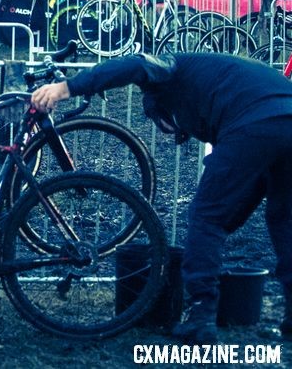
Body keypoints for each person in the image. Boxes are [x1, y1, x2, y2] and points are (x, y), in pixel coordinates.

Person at [31, 53, 292, 344]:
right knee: (285, 221)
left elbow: (135, 64)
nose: (169, 132)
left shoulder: (169, 67)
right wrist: (220, 226)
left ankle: (200, 318)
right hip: (284, 115)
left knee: (205, 218)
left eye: (164, 123)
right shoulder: (215, 81)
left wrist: (67, 88)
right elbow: (241, 196)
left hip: (253, 123)